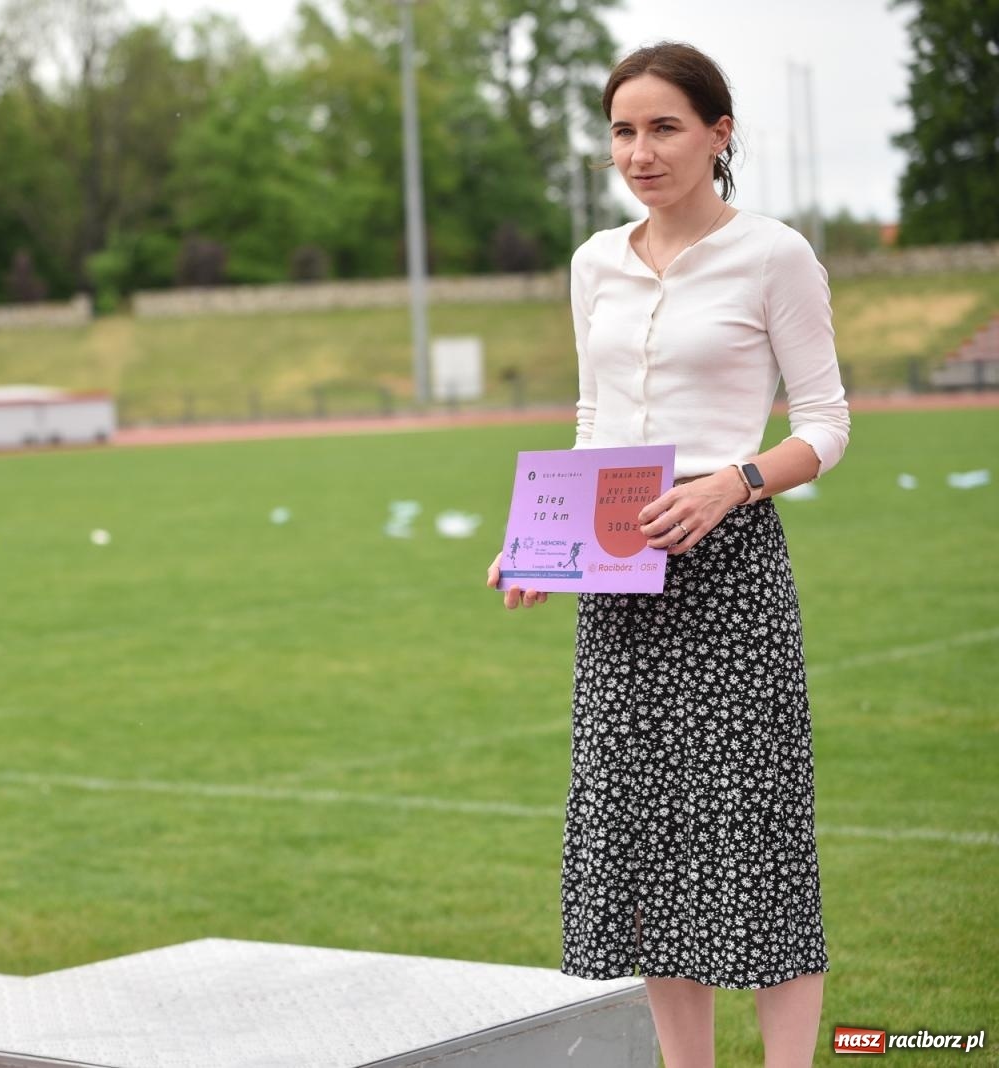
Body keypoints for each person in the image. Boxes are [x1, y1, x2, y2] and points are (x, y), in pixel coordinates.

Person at [486, 42, 850, 1068]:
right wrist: (536, 547)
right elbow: (593, 419)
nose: (639, 152)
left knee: (754, 837)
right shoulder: (592, 262)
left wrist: (735, 482)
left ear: (717, 134)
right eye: (622, 131)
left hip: (729, 572)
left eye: (664, 128)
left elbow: (824, 424)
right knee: (643, 843)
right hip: (616, 582)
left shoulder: (774, 254)